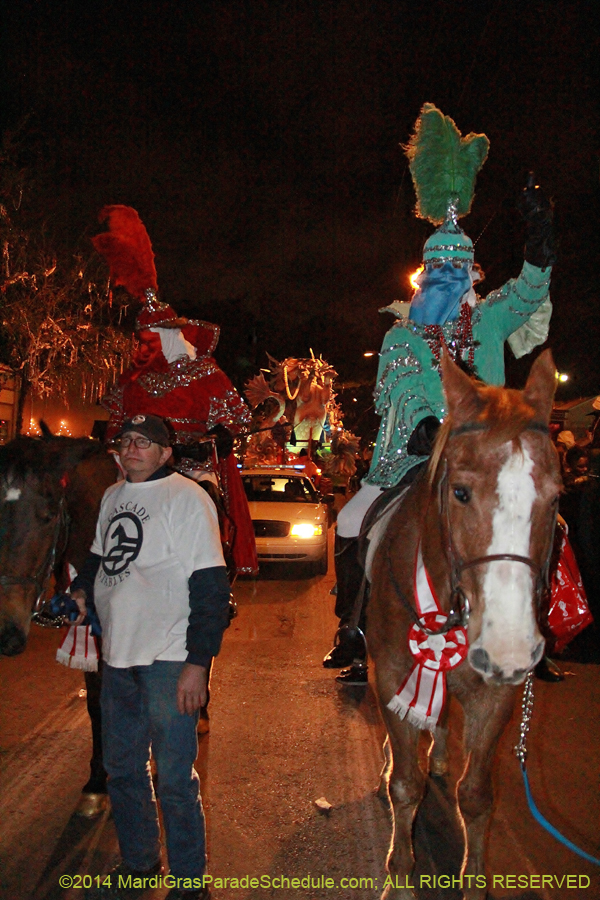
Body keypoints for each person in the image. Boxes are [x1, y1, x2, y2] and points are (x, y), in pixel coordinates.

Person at [324, 104, 556, 685]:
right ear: (423, 278)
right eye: (436, 274)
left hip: (485, 452)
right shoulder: (400, 334)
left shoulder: (491, 321)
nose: (446, 282)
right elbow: (396, 391)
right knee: (351, 522)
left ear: (474, 275)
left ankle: (535, 626)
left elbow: (529, 293)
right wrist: (426, 427)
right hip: (413, 457)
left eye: (457, 272)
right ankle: (351, 630)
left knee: (540, 516)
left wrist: (541, 240)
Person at [71, 414, 230, 900]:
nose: (133, 447)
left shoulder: (187, 498)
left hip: (168, 659)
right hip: (117, 658)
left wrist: (197, 664)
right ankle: (141, 861)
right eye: (127, 440)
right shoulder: (113, 496)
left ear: (166, 453)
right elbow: (101, 558)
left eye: (146, 442)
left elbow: (210, 588)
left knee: (175, 776)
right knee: (121, 770)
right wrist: (80, 590)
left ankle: (188, 881)